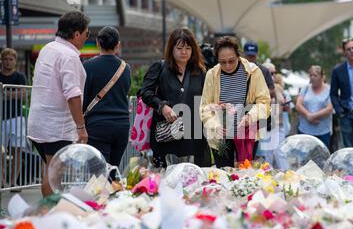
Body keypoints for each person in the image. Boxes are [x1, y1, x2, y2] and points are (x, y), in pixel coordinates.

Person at [27, 11, 90, 197]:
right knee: (55, 174)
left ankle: (49, 212)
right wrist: (81, 127)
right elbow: (72, 94)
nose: (87, 38)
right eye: (87, 33)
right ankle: (48, 214)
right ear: (77, 34)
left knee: (51, 170)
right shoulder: (68, 56)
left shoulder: (48, 49)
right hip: (57, 126)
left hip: (40, 122)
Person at [140, 28, 210, 168]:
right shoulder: (159, 68)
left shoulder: (200, 71)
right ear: (171, 48)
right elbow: (145, 92)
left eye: (188, 48)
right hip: (167, 135)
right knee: (166, 177)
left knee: (194, 179)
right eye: (179, 48)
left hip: (194, 135)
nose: (184, 52)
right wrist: (162, 106)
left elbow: (207, 98)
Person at [200, 36, 271, 168]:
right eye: (222, 62)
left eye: (231, 61)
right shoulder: (211, 74)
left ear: (238, 55)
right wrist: (215, 125)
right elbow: (204, 106)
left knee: (245, 172)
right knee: (223, 173)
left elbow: (264, 102)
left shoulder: (253, 72)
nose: (227, 66)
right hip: (221, 133)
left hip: (247, 132)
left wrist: (250, 117)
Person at [83, 26, 131, 173]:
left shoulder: (88, 66)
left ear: (98, 43)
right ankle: (111, 195)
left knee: (97, 174)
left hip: (97, 125)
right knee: (112, 172)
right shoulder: (125, 68)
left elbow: (84, 98)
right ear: (118, 45)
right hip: (121, 126)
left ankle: (100, 196)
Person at [0, 48, 27, 187]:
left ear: (15, 61)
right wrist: (13, 93)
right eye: (6, 59)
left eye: (11, 59)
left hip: (16, 118)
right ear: (1, 60)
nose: (8, 62)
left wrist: (5, 93)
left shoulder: (19, 76)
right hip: (1, 118)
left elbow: (23, 95)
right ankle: (2, 180)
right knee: (1, 151)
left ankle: (13, 182)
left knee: (17, 150)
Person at [255, 62, 287, 169]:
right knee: (266, 155)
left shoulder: (278, 88)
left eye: (274, 73)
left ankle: (286, 176)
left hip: (278, 125)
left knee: (280, 152)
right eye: (270, 73)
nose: (273, 76)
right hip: (265, 125)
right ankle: (268, 177)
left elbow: (287, 108)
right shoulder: (257, 88)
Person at [296, 65, 333, 147]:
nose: (312, 78)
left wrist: (313, 116)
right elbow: (298, 105)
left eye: (315, 75)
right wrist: (307, 115)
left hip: (322, 132)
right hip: (305, 131)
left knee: (321, 157)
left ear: (321, 77)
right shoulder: (305, 89)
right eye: (311, 75)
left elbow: (329, 108)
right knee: (305, 157)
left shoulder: (329, 90)